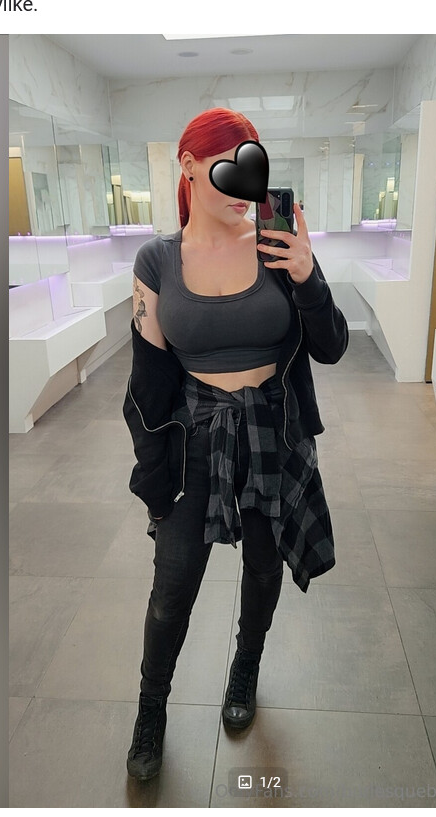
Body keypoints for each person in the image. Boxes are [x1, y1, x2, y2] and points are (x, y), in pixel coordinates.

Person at [122, 108, 348, 781]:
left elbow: (332, 346)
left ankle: (245, 667)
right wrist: (153, 474)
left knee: (262, 565)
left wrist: (307, 277)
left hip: (272, 433)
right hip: (193, 440)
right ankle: (151, 706)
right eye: (229, 163)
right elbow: (148, 378)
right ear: (190, 166)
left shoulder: (277, 246)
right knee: (172, 586)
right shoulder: (157, 260)